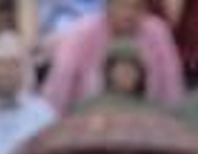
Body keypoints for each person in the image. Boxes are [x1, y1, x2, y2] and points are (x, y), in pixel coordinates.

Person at [40, 0, 184, 113]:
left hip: (147, 122)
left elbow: (172, 91)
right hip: (87, 121)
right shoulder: (81, 33)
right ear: (107, 6)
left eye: (136, 7)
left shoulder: (158, 33)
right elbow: (58, 90)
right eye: (122, 5)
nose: (128, 14)